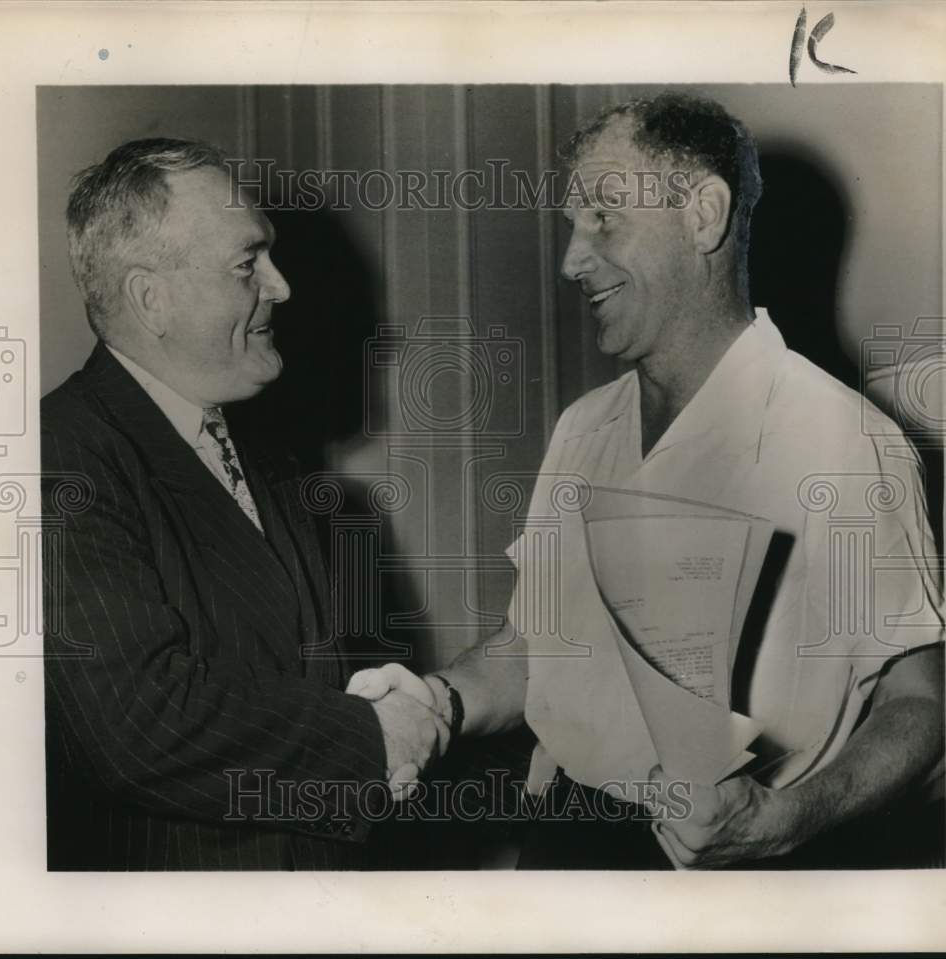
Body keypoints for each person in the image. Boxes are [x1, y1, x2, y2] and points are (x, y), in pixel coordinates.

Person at [348, 93, 945, 869]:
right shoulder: (583, 429)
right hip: (565, 840)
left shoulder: (846, 438)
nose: (571, 259)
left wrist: (785, 818)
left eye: (602, 218)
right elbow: (539, 645)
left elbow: (921, 705)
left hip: (747, 865)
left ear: (703, 216)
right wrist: (438, 701)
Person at [41, 138, 445, 870]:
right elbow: (138, 722)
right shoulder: (57, 456)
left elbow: (288, 679)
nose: (282, 286)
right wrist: (374, 735)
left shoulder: (265, 451)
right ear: (148, 297)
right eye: (246, 265)